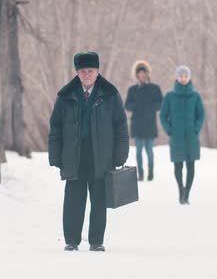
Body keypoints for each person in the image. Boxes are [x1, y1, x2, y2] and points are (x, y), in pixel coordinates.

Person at [48, 52, 129, 252]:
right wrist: (55, 155)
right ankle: (71, 241)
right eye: (82, 71)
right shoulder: (65, 96)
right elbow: (55, 127)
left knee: (99, 200)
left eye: (90, 71)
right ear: (77, 72)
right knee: (73, 200)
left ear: (97, 71)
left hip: (101, 155)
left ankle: (96, 241)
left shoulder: (110, 95)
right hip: (74, 155)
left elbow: (121, 127)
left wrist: (120, 155)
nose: (86, 75)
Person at [160, 65, 205, 205]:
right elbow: (163, 116)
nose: (183, 78)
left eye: (186, 76)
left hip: (191, 137)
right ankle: (181, 191)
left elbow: (201, 115)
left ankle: (187, 194)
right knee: (178, 166)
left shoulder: (195, 96)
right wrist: (170, 130)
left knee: (191, 165)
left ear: (189, 77)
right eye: (181, 76)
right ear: (177, 77)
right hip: (177, 137)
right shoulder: (169, 96)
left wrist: (196, 129)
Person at [125, 60, 163, 181]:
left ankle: (151, 172)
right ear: (136, 75)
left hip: (150, 124)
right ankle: (140, 173)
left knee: (149, 151)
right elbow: (127, 105)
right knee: (138, 152)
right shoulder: (132, 90)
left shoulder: (155, 88)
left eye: (143, 73)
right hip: (137, 124)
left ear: (147, 74)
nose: (141, 75)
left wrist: (149, 106)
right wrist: (137, 106)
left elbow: (160, 104)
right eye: (139, 73)